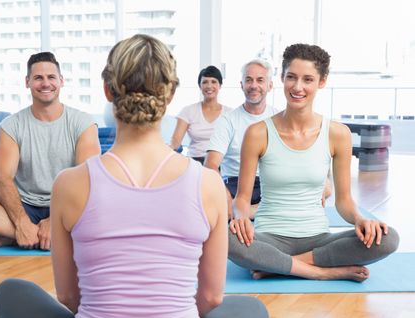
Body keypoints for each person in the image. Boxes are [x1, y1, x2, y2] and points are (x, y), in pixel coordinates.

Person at [0, 34, 268, 318]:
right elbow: (210, 297)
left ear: (108, 89)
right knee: (250, 309)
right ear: (171, 92)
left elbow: (68, 296)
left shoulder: (69, 184)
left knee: (11, 292)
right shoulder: (208, 183)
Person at [228, 43, 399, 281]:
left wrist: (361, 219)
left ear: (322, 81)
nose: (298, 87)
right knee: (226, 238)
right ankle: (321, 272)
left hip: (318, 239)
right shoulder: (257, 133)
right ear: (281, 78)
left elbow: (344, 201)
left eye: (307, 79)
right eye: (291, 77)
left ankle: (282, 266)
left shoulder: (337, 134)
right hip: (269, 238)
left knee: (387, 237)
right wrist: (240, 218)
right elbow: (242, 199)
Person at [0, 52, 100, 250]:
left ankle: (18, 235)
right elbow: (2, 178)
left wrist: (54, 219)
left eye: (51, 77)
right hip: (23, 204)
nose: (45, 83)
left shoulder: (83, 122)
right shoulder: (11, 125)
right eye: (38, 78)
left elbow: (87, 177)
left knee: (108, 204)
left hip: (67, 205)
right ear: (27, 82)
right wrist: (21, 221)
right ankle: (35, 233)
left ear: (61, 81)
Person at [205, 58, 277, 219]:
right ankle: (254, 213)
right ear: (241, 85)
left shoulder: (279, 119)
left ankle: (252, 213)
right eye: (248, 80)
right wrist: (224, 194)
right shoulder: (228, 120)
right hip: (234, 185)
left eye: (260, 80)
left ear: (270, 85)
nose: (253, 85)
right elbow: (211, 164)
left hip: (269, 185)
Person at [170, 65, 231, 164]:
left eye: (213, 82)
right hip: (195, 162)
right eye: (205, 82)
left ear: (220, 85)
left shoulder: (229, 113)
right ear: (200, 86)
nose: (209, 86)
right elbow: (175, 144)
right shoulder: (188, 111)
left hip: (222, 163)